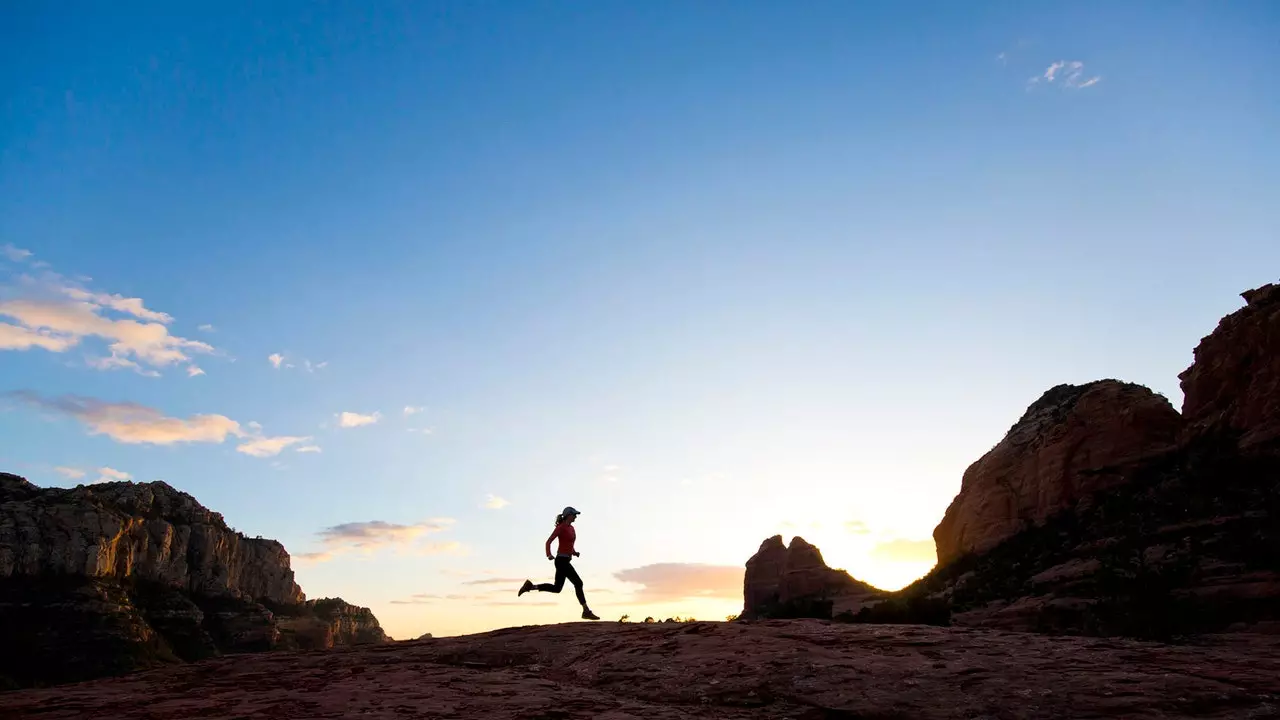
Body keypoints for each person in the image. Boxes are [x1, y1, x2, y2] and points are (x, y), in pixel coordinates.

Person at [519, 506, 599, 620]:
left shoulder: (572, 528)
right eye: (574, 514)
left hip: (566, 560)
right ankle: (586, 611)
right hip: (561, 561)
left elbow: (569, 544)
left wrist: (574, 552)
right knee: (578, 583)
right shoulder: (561, 528)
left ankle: (531, 587)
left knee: (557, 588)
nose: (576, 516)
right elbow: (548, 541)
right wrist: (549, 554)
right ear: (569, 515)